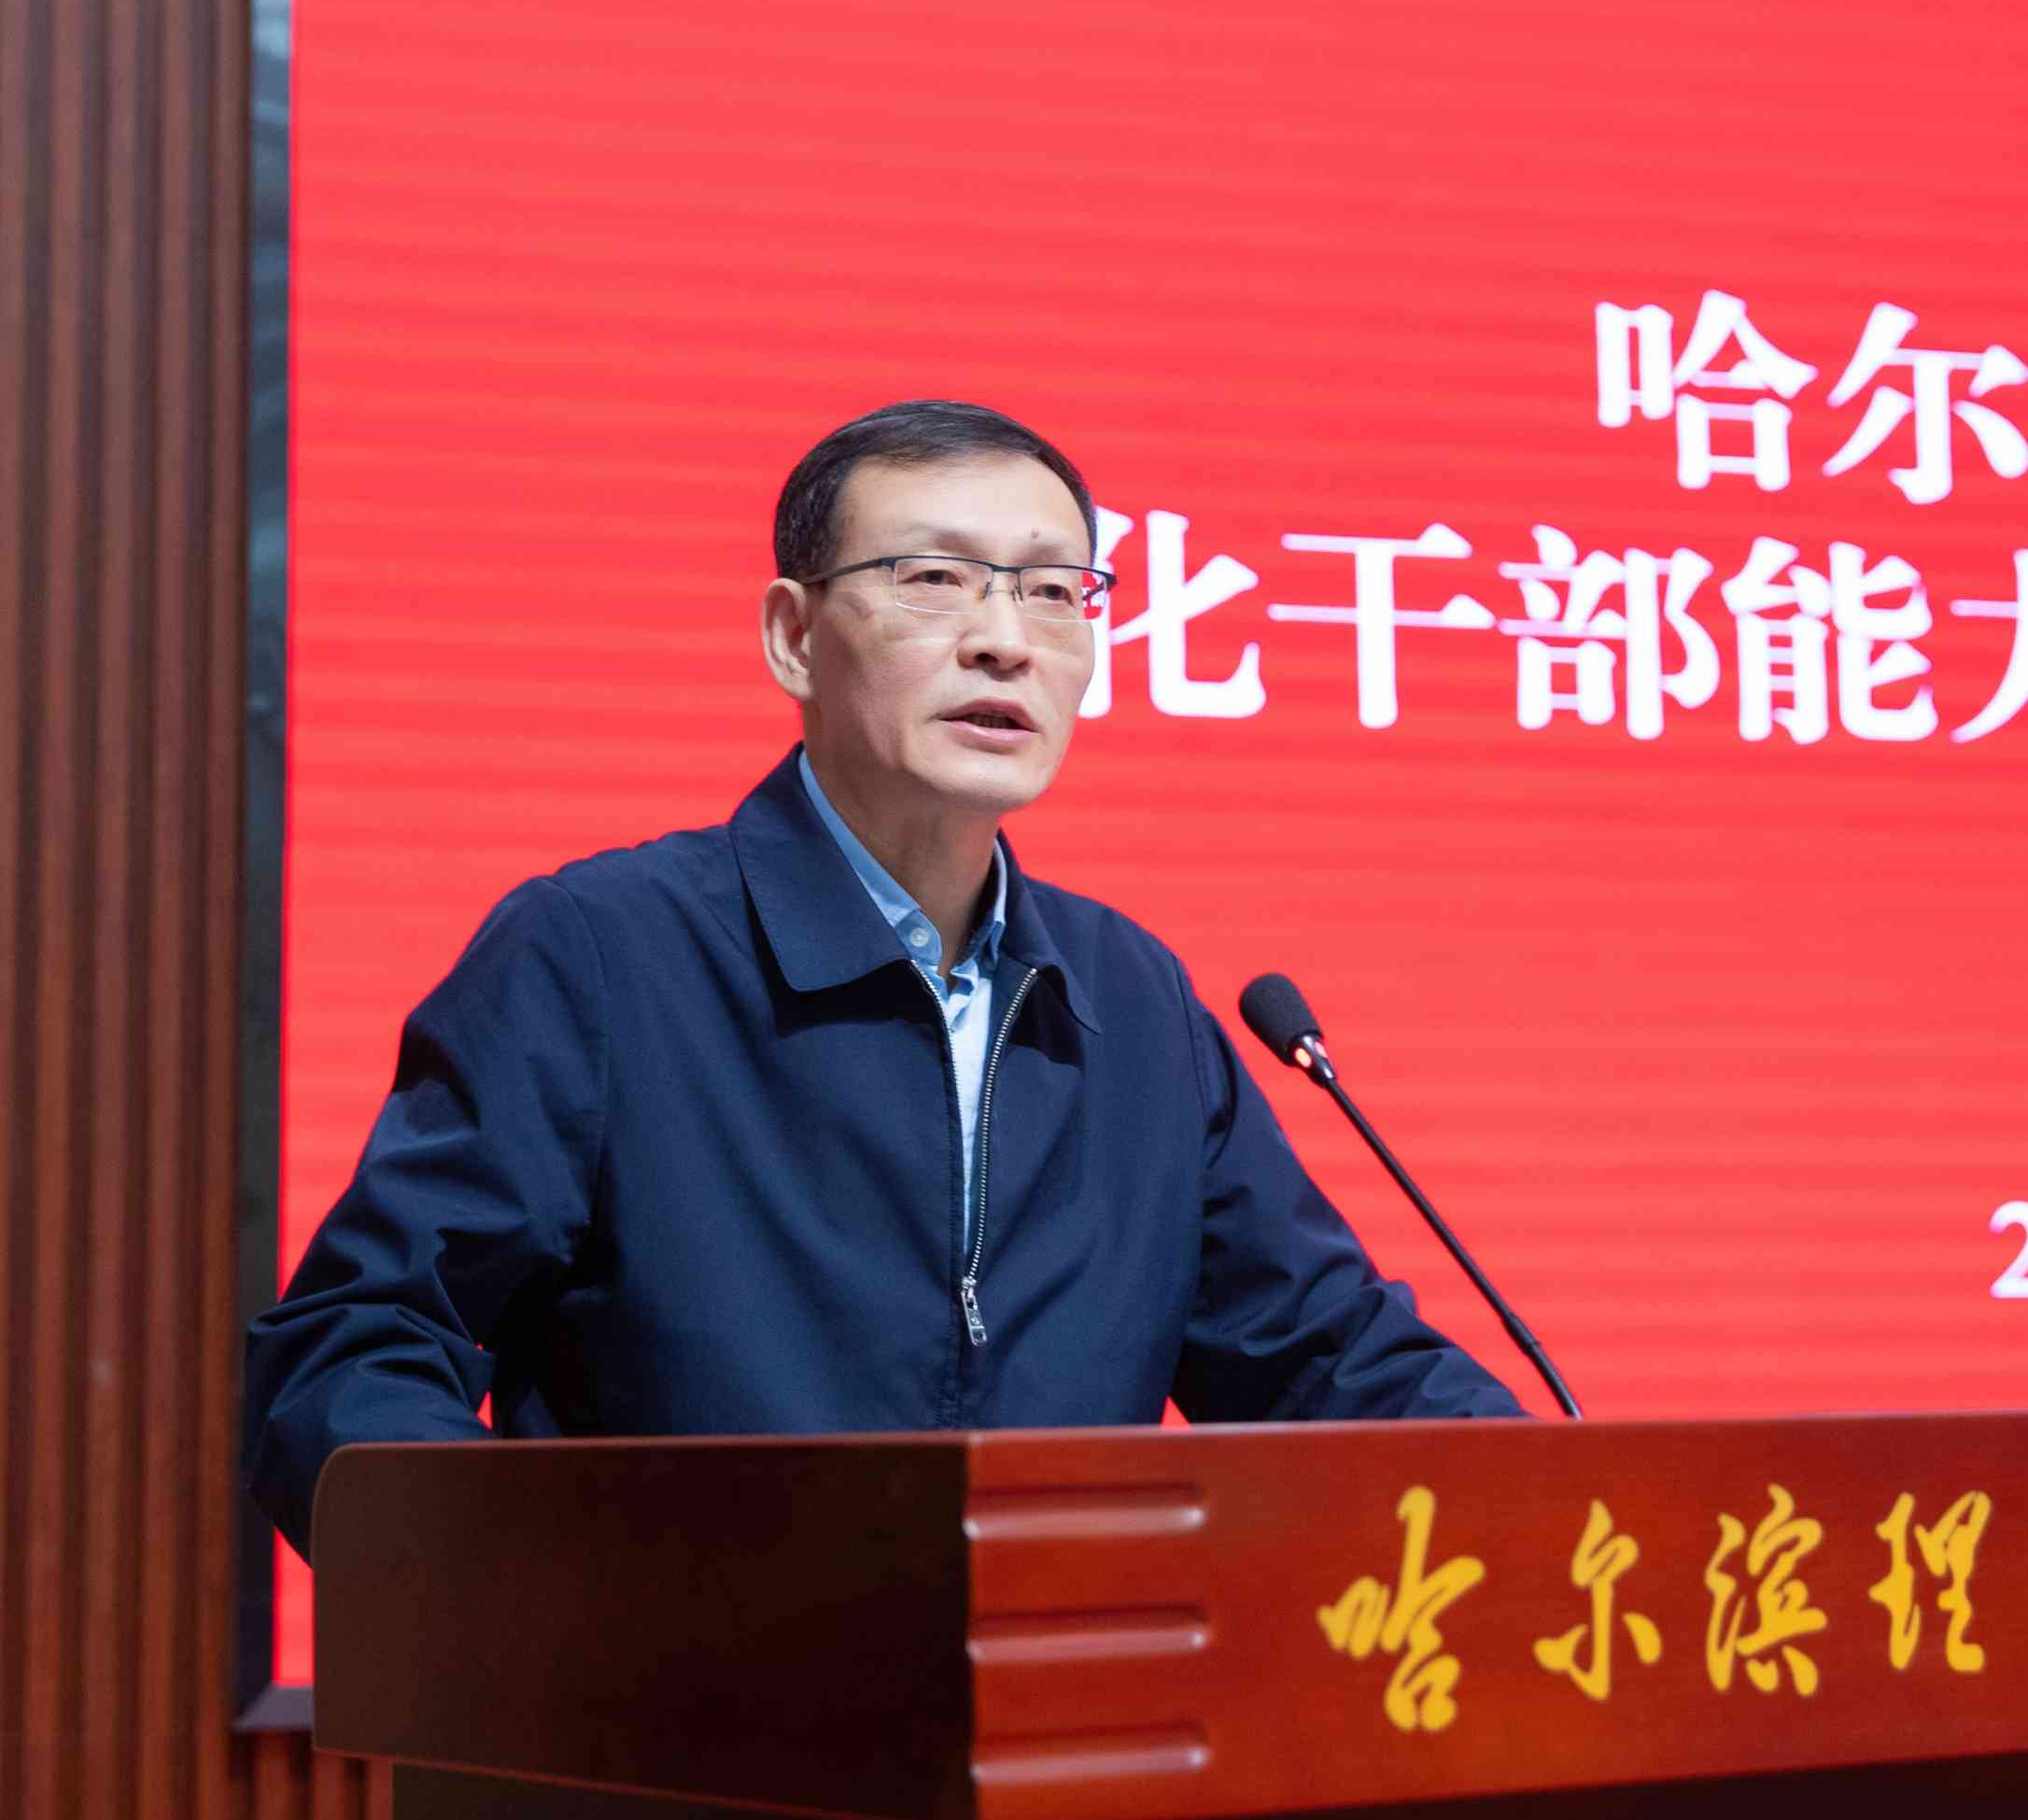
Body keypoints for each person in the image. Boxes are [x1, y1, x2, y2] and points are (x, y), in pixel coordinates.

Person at [246, 399, 1522, 1562]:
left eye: (1055, 593)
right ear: (794, 637)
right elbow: (352, 1351)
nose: (1005, 642)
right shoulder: (600, 955)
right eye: (934, 580)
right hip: (676, 1720)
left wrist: (1561, 1512)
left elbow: (1326, 1362)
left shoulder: (1131, 1001)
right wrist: (541, 1599)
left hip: (1064, 1712)